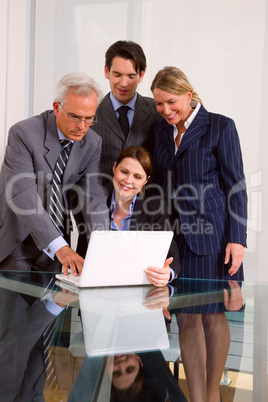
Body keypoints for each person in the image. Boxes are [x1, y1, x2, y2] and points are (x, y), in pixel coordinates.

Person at [150, 66, 247, 402]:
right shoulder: (160, 132)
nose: (165, 110)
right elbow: (159, 188)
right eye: (159, 104)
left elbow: (236, 186)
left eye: (171, 102)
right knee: (186, 317)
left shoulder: (220, 126)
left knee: (212, 313)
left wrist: (238, 237)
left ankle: (213, 394)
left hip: (215, 236)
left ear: (188, 95)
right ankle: (197, 397)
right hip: (176, 238)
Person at [0, 72, 109, 275]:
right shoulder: (23, 133)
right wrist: (61, 248)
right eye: (75, 117)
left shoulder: (93, 142)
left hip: (60, 244)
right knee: (13, 305)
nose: (82, 127)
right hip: (18, 243)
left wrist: (104, 247)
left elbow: (93, 198)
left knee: (56, 305)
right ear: (57, 107)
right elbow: (23, 195)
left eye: (89, 119)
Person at [92, 40, 160, 193]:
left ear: (141, 75)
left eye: (131, 76)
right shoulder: (90, 114)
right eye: (117, 75)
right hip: (101, 209)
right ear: (106, 71)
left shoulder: (158, 111)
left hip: (149, 209)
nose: (123, 83)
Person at [110, 145, 180, 287]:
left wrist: (168, 273)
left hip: (137, 293)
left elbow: (173, 260)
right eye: (124, 172)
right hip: (96, 288)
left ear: (145, 181)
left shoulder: (154, 210)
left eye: (137, 177)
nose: (128, 181)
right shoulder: (94, 203)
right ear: (114, 168)